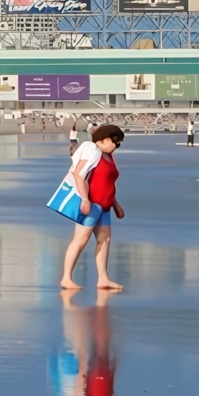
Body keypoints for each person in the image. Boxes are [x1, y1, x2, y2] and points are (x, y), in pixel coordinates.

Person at [60, 124, 125, 291]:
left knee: (105, 240)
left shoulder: (109, 157)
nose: (117, 146)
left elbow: (107, 183)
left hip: (105, 206)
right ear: (104, 140)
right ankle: (66, 278)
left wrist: (115, 205)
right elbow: (79, 175)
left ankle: (103, 278)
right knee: (80, 240)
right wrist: (84, 200)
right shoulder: (93, 152)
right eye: (115, 142)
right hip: (91, 204)